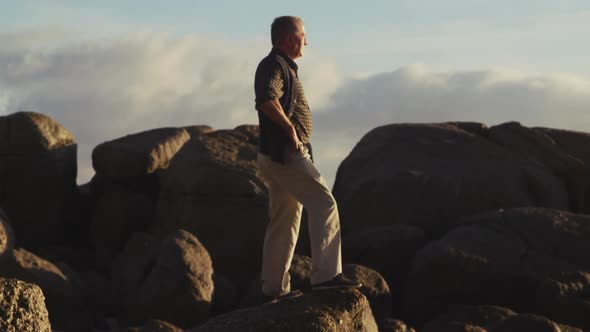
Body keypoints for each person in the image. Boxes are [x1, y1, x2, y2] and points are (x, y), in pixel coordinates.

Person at [254, 16, 362, 303]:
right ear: (290, 39)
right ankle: (327, 277)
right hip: (285, 154)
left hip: (274, 155)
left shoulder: (281, 65)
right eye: (304, 35)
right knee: (324, 202)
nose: (307, 41)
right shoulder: (274, 65)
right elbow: (266, 99)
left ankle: (273, 290)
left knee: (285, 217)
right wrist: (290, 129)